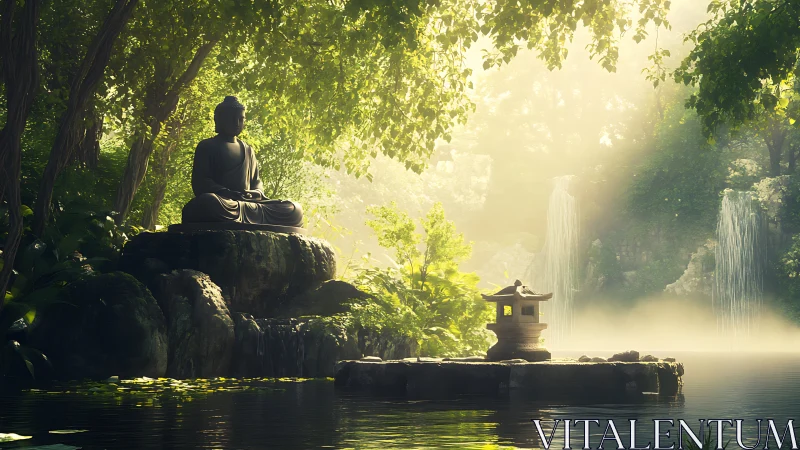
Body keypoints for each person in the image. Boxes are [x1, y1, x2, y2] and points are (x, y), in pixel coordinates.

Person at [180, 96, 304, 227]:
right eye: (231, 119)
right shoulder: (207, 146)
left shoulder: (248, 150)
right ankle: (241, 215)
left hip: (247, 205)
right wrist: (227, 193)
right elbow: (200, 183)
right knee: (209, 202)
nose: (236, 123)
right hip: (224, 203)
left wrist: (255, 193)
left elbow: (256, 183)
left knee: (294, 209)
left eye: (240, 119)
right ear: (219, 120)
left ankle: (245, 217)